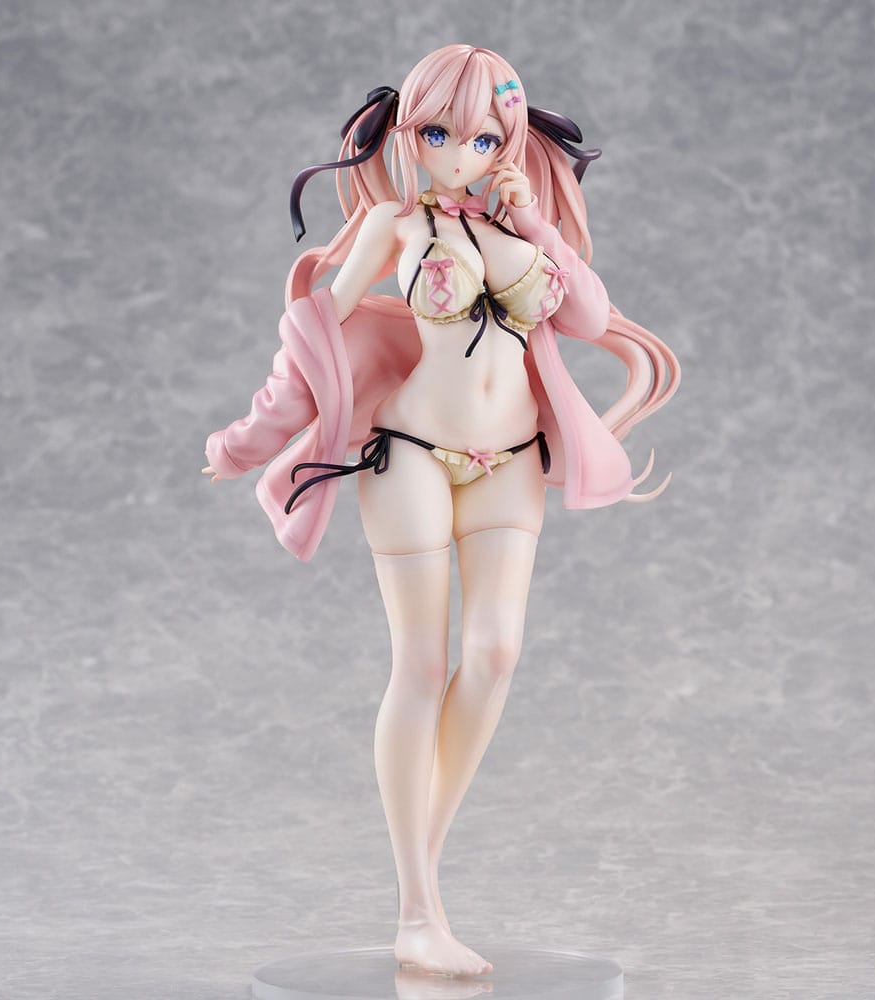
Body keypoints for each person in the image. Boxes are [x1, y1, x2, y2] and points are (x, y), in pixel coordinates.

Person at [202, 44, 679, 977]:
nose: (460, 154)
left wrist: (532, 223)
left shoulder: (519, 223)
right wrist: (244, 441)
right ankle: (418, 908)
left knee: (495, 655)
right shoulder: (394, 223)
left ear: (510, 139)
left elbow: (586, 318)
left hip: (508, 459)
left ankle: (425, 862)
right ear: (409, 134)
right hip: (412, 453)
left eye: (485, 137)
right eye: (437, 134)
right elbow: (314, 340)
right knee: (421, 665)